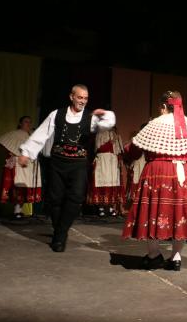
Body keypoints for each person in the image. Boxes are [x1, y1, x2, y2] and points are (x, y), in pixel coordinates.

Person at [122, 91, 187, 271]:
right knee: (180, 214)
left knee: (155, 213)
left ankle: (154, 254)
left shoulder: (153, 124)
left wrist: (127, 153)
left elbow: (133, 150)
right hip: (184, 174)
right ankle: (176, 257)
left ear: (163, 106)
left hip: (158, 173)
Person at [18, 84, 116, 252]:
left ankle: (60, 234)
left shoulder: (90, 117)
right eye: (80, 97)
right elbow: (42, 133)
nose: (83, 101)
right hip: (58, 162)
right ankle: (59, 232)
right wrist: (27, 152)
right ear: (71, 96)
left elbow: (108, 124)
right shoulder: (57, 114)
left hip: (78, 164)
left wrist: (104, 114)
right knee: (55, 199)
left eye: (85, 98)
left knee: (76, 198)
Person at [0, 116, 42, 218]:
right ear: (20, 123)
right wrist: (11, 152)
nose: (28, 124)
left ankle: (18, 211)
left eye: (30, 122)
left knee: (26, 187)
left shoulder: (31, 136)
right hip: (19, 164)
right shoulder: (15, 133)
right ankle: (16, 211)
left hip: (30, 165)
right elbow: (1, 141)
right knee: (18, 187)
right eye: (26, 122)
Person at [87, 128, 124, 217]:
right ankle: (101, 207)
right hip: (102, 160)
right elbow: (96, 148)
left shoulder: (116, 135)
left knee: (112, 183)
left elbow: (118, 150)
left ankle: (111, 207)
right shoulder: (99, 134)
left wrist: (119, 159)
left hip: (113, 162)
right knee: (101, 183)